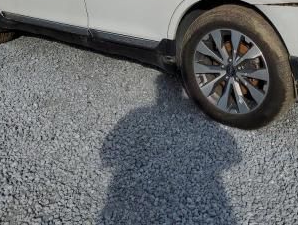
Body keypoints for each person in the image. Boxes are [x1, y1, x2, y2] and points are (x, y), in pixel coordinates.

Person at [100, 73, 241, 224]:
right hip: (215, 188)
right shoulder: (215, 131)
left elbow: (106, 157)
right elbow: (235, 158)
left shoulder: (138, 114)